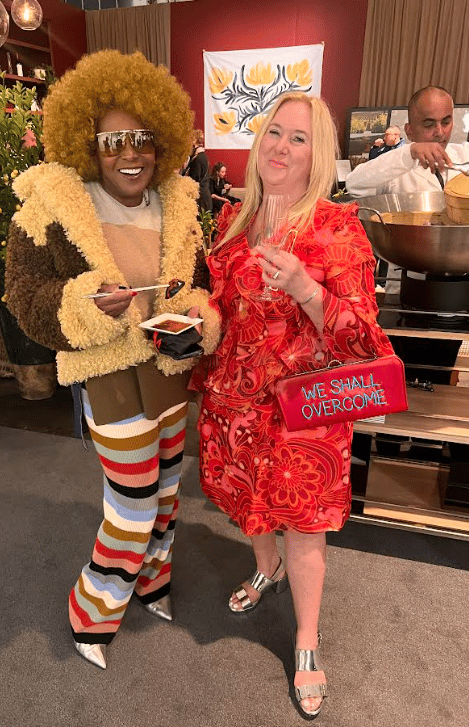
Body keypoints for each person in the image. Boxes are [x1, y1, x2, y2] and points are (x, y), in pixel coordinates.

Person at [4, 50, 221, 670]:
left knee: (169, 494)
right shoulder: (52, 205)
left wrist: (196, 315)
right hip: (107, 378)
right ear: (88, 145)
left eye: (142, 138)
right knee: (132, 507)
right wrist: (85, 302)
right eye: (112, 141)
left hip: (169, 370)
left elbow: (199, 284)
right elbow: (24, 295)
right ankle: (91, 612)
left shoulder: (178, 202)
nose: (131, 154)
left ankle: (153, 583)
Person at [193, 92, 394, 719]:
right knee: (248, 506)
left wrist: (307, 288)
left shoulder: (337, 227)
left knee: (306, 527)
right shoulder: (233, 220)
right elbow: (220, 310)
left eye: (298, 138)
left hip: (305, 412)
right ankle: (266, 569)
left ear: (318, 154)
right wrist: (189, 323)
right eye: (274, 132)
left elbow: (364, 339)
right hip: (235, 403)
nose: (281, 147)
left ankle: (306, 640)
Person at [346, 86, 469, 197]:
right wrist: (410, 152)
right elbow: (353, 184)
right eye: (429, 125)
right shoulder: (394, 167)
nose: (440, 132)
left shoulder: (466, 154)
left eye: (446, 122)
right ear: (409, 131)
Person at [183, 129, 213, 212]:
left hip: (200, 200)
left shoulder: (197, 159)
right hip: (205, 198)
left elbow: (193, 181)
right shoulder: (203, 157)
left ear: (194, 141)